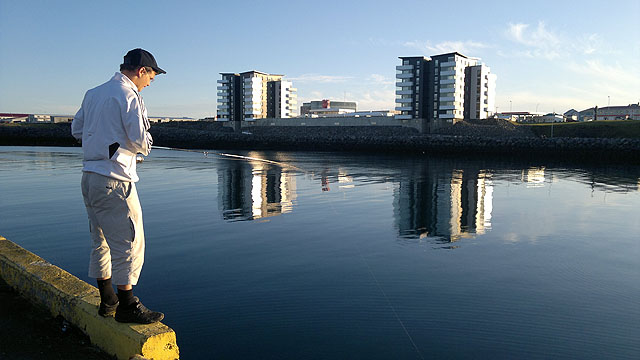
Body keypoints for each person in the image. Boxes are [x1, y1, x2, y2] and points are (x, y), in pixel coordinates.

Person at [71, 48, 165, 324]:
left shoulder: (93, 93)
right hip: (116, 181)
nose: (151, 82)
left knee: (99, 240)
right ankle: (127, 305)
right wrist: (142, 147)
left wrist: (104, 141)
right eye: (152, 76)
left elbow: (77, 130)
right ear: (141, 71)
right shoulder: (129, 95)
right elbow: (139, 140)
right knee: (129, 243)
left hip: (89, 177)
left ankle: (107, 299)